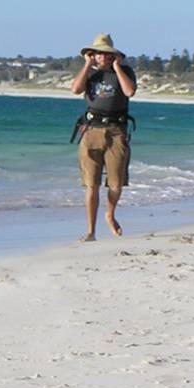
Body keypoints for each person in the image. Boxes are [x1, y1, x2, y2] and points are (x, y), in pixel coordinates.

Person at [69, 33, 137, 241]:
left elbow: (130, 91)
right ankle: (91, 230)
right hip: (91, 130)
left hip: (116, 131)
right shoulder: (90, 74)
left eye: (107, 54)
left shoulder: (124, 72)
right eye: (99, 54)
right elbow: (75, 89)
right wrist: (87, 66)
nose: (103, 57)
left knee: (116, 183)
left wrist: (117, 67)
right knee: (92, 184)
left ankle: (110, 213)